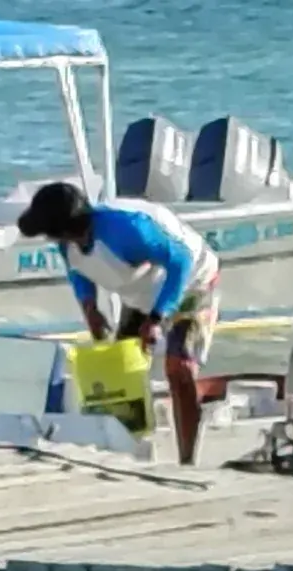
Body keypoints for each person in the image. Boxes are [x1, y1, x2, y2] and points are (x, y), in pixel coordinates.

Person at [14, 179, 219, 463]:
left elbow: (180, 260)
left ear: (65, 227)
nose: (50, 240)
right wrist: (90, 308)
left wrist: (157, 318)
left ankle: (187, 460)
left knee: (178, 365)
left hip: (191, 283)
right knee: (120, 367)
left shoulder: (128, 229)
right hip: (139, 293)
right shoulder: (67, 243)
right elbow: (78, 271)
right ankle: (129, 448)